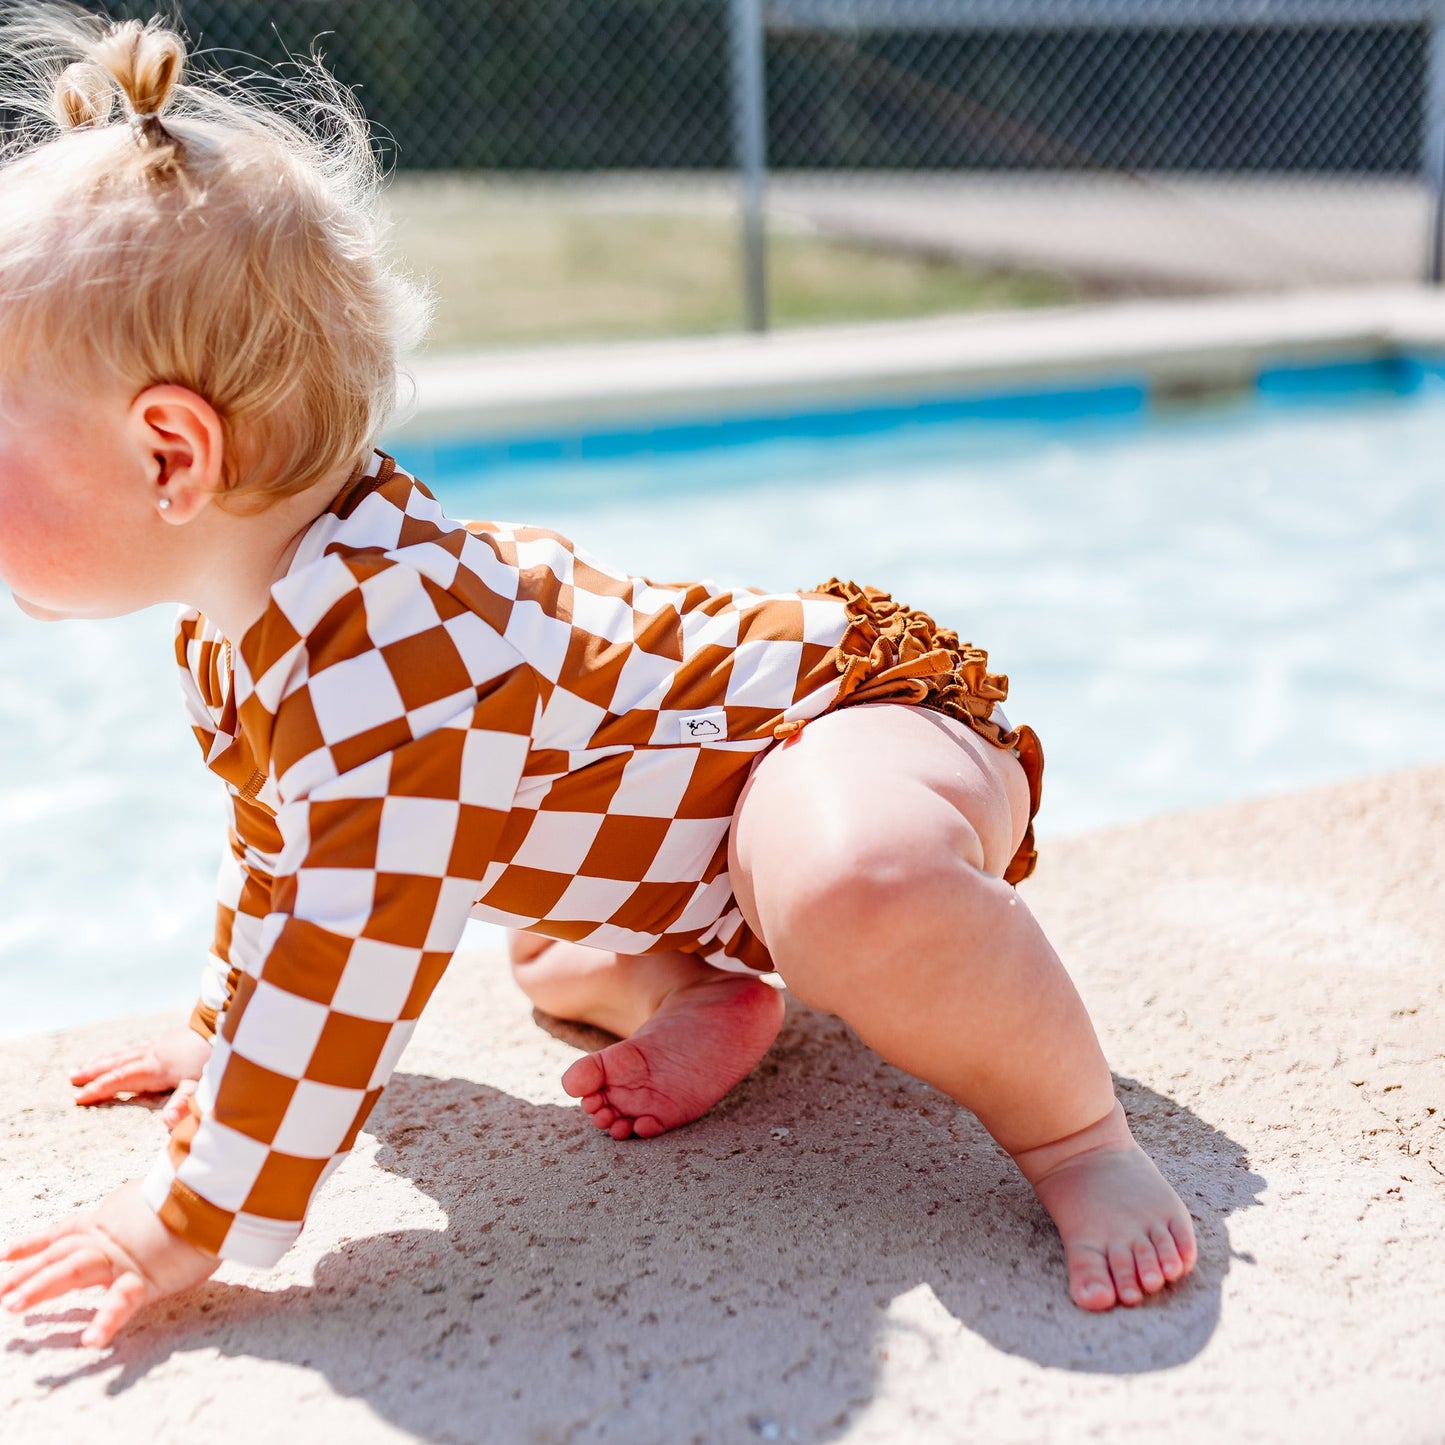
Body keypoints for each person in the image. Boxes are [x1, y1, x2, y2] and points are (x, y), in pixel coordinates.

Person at [0, 5, 1196, 1351]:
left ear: (172, 455)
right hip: (686, 849)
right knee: (547, 934)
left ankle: (1076, 1127)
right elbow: (285, 853)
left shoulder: (390, 653)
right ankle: (706, 988)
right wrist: (221, 1030)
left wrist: (184, 1216)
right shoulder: (259, 620)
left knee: (845, 883)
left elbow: (342, 961)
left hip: (858, 724)